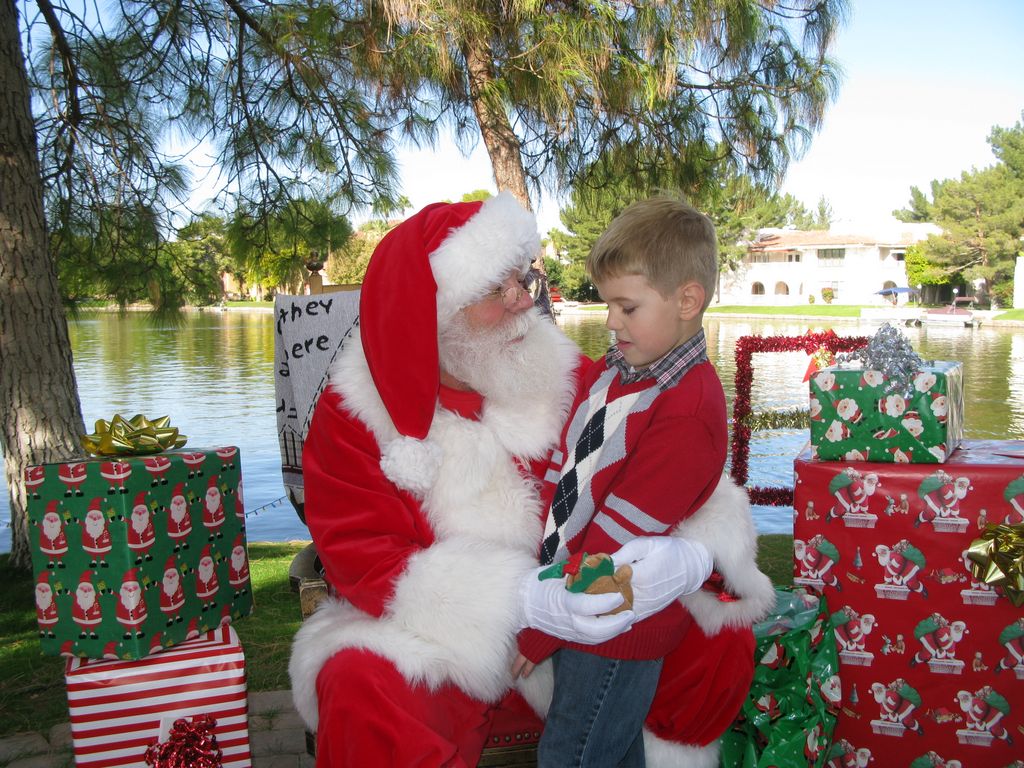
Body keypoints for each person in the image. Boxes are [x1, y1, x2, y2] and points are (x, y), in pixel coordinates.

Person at [289, 193, 774, 767]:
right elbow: (366, 559)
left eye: (522, 280)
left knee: (715, 638)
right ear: (436, 313)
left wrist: (693, 552)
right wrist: (525, 602)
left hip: (585, 599)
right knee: (359, 681)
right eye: (498, 289)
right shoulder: (354, 416)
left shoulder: (565, 370)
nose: (523, 301)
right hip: (446, 632)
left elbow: (665, 456)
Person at [513, 197, 777, 768]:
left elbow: (618, 534)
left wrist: (544, 624)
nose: (611, 321)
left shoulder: (686, 406)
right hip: (593, 604)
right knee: (614, 750)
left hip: (616, 623)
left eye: (626, 307)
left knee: (573, 753)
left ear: (687, 300)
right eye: (610, 305)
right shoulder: (628, 371)